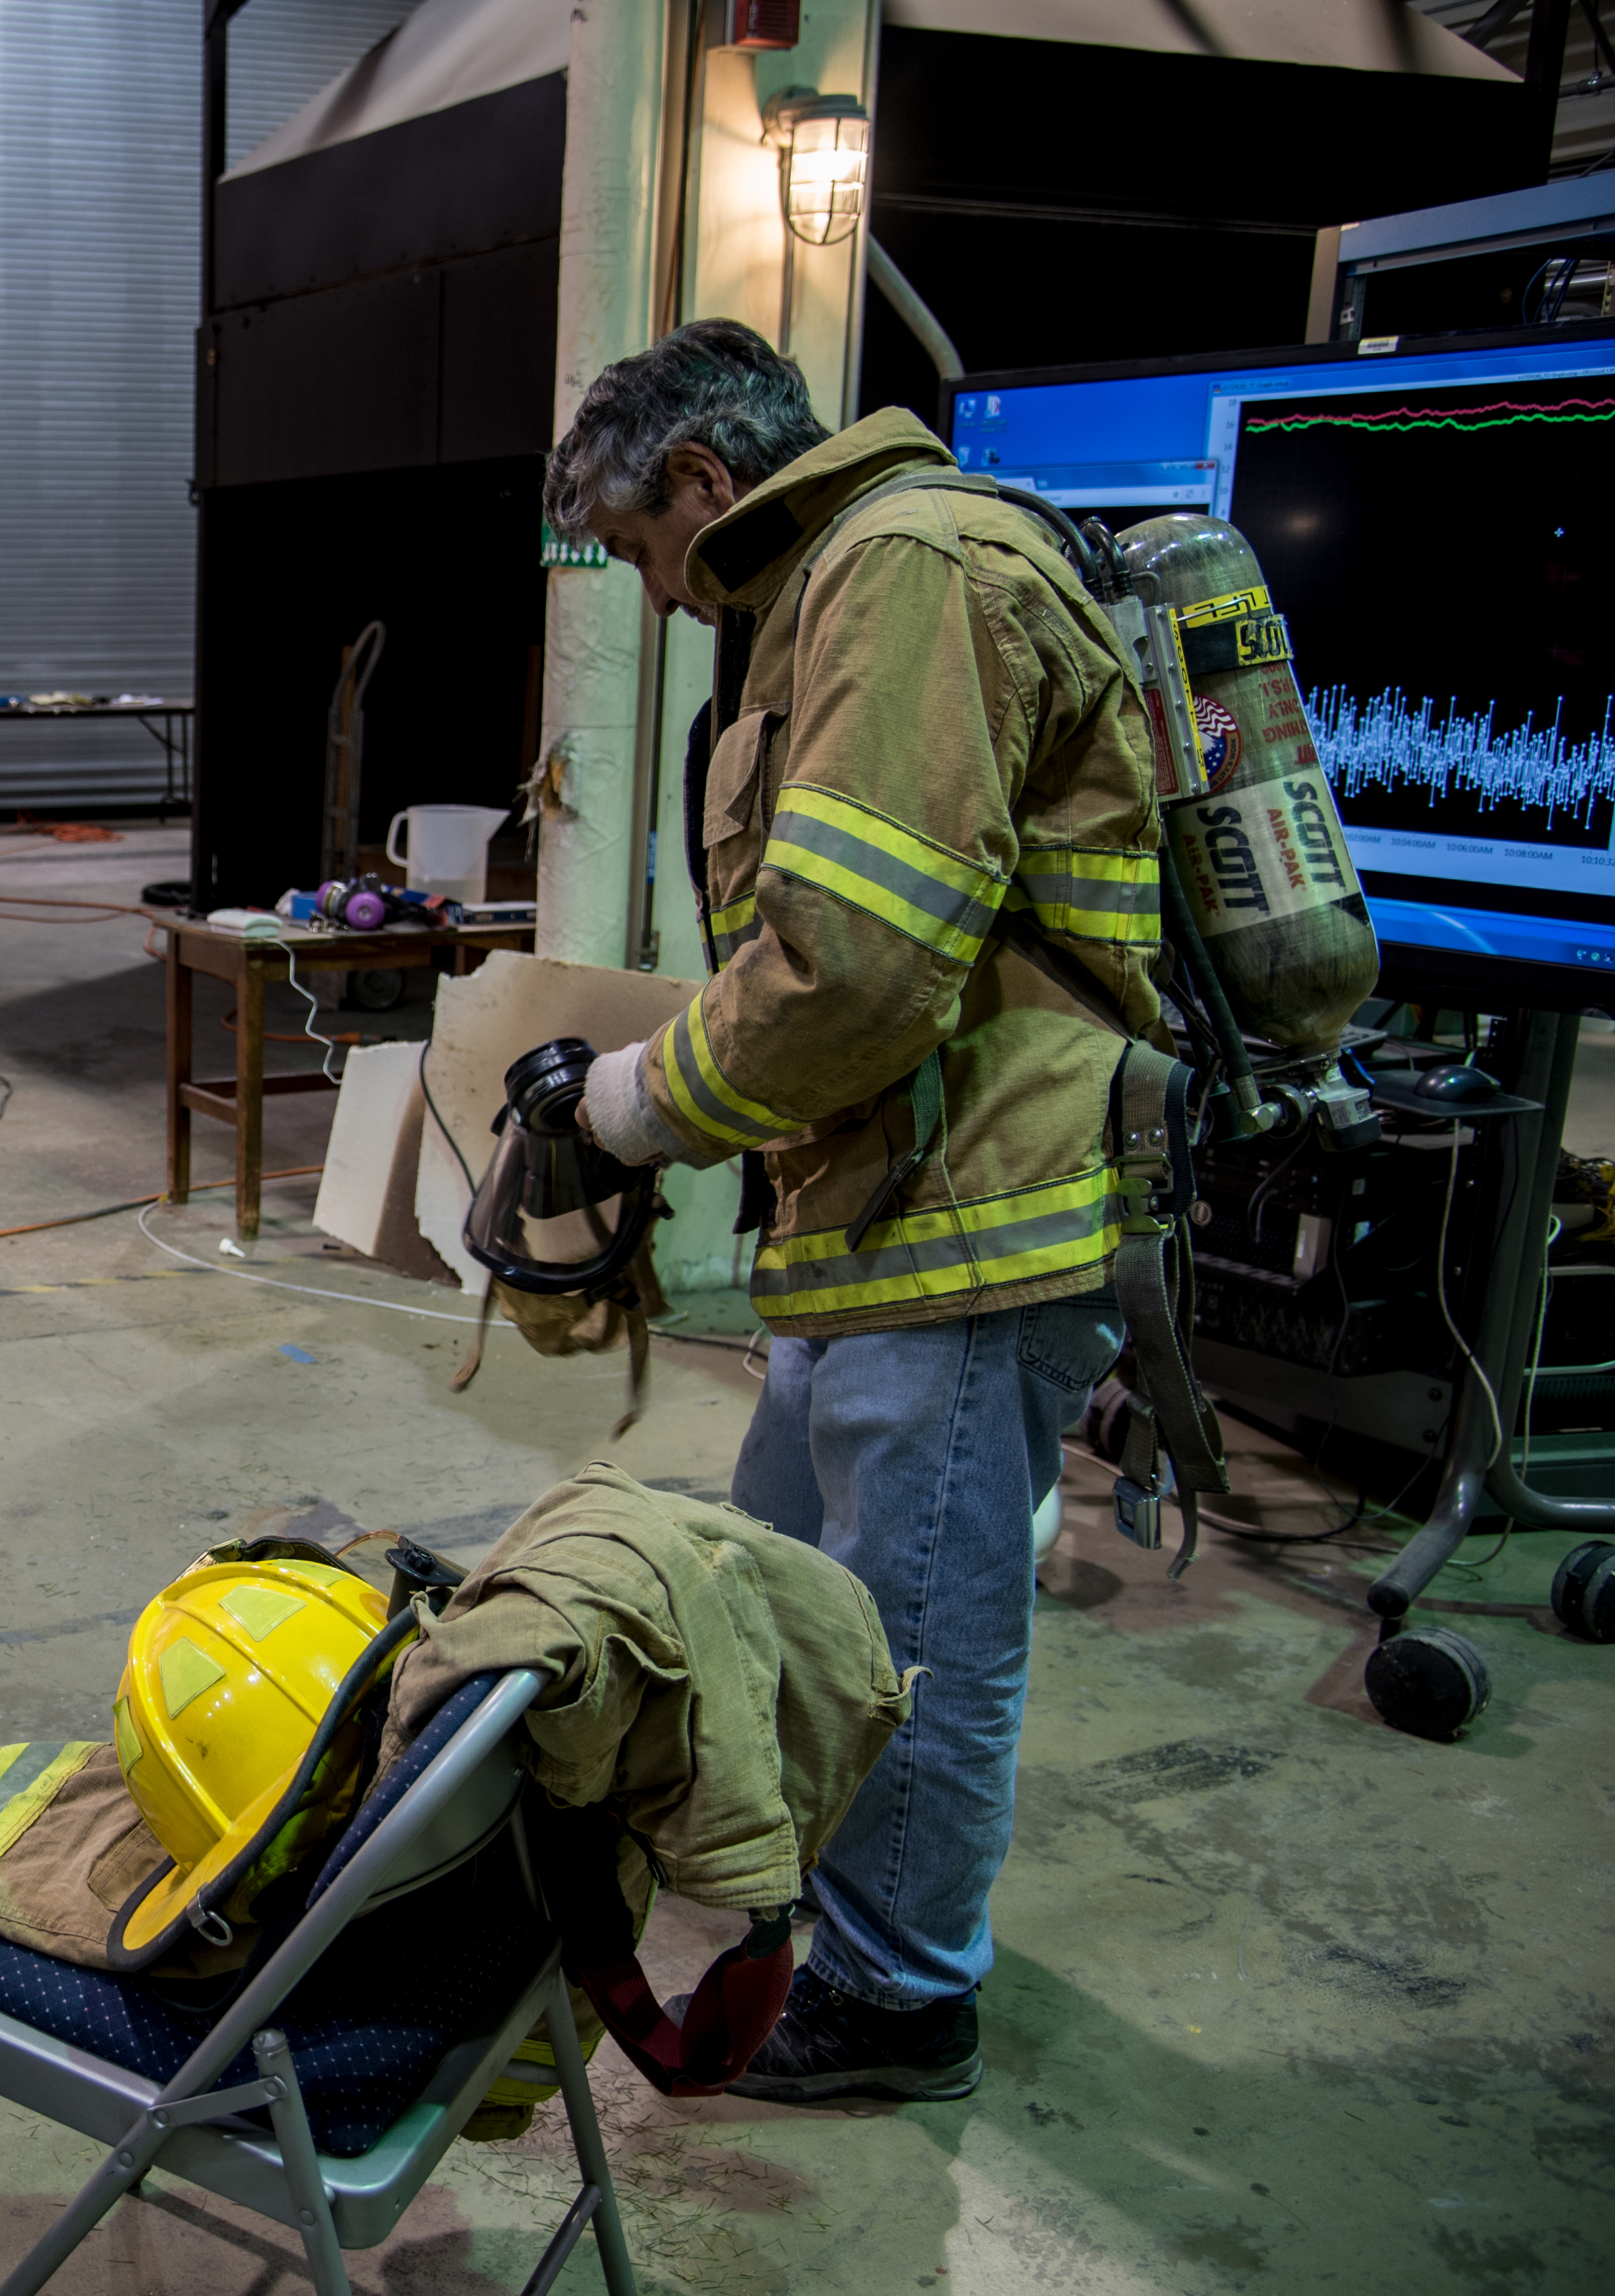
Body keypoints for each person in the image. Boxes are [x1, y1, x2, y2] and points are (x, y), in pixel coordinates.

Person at [541, 319, 1165, 2104]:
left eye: (645, 553)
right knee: (788, 1599)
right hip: (887, 1215)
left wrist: (631, 1106)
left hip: (981, 1220)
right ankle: (831, 1908)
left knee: (913, 1639)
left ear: (700, 487)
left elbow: (853, 973)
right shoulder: (835, 594)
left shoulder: (906, 574)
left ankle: (900, 2004)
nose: (660, 602)